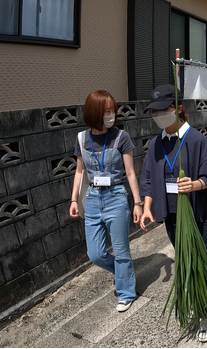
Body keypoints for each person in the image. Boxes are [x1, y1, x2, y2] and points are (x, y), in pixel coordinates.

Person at [139, 84, 207, 342]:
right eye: (155, 111)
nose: (159, 115)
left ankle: (204, 311)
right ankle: (196, 301)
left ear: (179, 108)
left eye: (164, 109)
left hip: (198, 213)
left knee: (194, 261)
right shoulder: (155, 144)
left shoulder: (195, 139)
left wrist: (195, 184)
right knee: (184, 259)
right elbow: (149, 179)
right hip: (172, 216)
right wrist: (147, 206)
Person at [69, 90, 141, 312]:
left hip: (116, 197)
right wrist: (73, 200)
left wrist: (137, 202)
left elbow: (130, 173)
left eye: (112, 110)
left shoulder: (121, 137)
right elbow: (79, 172)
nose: (111, 115)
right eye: (106, 111)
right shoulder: (82, 138)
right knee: (95, 254)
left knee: (121, 251)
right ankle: (123, 273)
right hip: (91, 199)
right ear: (94, 113)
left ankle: (126, 292)